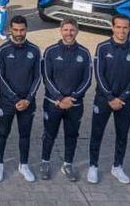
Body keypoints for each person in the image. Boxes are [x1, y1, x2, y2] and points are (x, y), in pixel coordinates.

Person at [87, 15, 130, 185]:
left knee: (122, 135)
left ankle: (117, 166)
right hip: (104, 100)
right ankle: (93, 166)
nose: (121, 31)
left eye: (125, 27)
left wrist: (122, 98)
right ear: (112, 28)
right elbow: (99, 74)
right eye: (118, 27)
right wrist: (110, 97)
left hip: (125, 102)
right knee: (97, 134)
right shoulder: (102, 48)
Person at [40, 19, 93, 182]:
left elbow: (87, 79)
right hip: (53, 103)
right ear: (60, 30)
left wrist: (73, 98)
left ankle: (68, 164)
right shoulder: (50, 51)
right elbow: (46, 77)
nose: (69, 33)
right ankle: (45, 163)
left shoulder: (84, 53)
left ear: (77, 31)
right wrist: (59, 98)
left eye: (72, 30)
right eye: (66, 29)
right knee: (49, 134)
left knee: (71, 135)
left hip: (74, 105)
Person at [0, 15, 41, 183]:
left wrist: (28, 99)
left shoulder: (35, 50)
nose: (19, 33)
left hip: (28, 103)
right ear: (10, 30)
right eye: (16, 30)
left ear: (26, 29)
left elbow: (38, 77)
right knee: (2, 133)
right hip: (7, 102)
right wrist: (14, 99)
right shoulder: (3, 50)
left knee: (25, 134)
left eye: (22, 30)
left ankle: (24, 164)